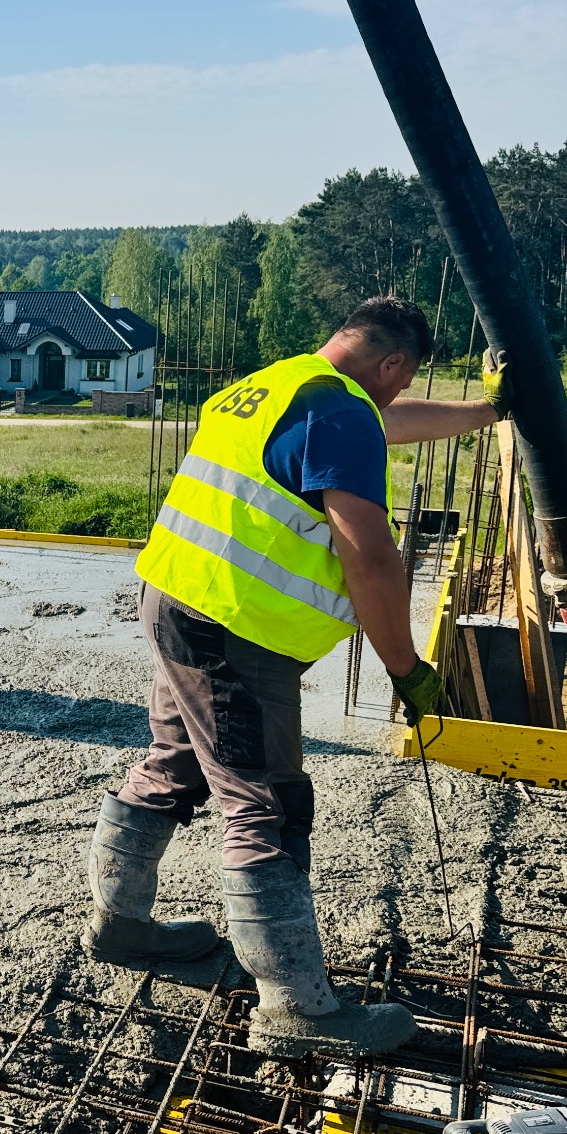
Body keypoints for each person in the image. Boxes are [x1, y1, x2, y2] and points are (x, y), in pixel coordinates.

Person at [84, 296, 511, 1058]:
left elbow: (391, 423)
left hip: (179, 598)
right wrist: (405, 667)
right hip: (235, 631)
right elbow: (370, 557)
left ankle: (121, 927)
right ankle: (295, 1011)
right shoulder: (341, 412)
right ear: (391, 366)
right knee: (267, 807)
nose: (396, 397)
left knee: (175, 764)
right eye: (399, 382)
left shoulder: (281, 386)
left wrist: (486, 412)